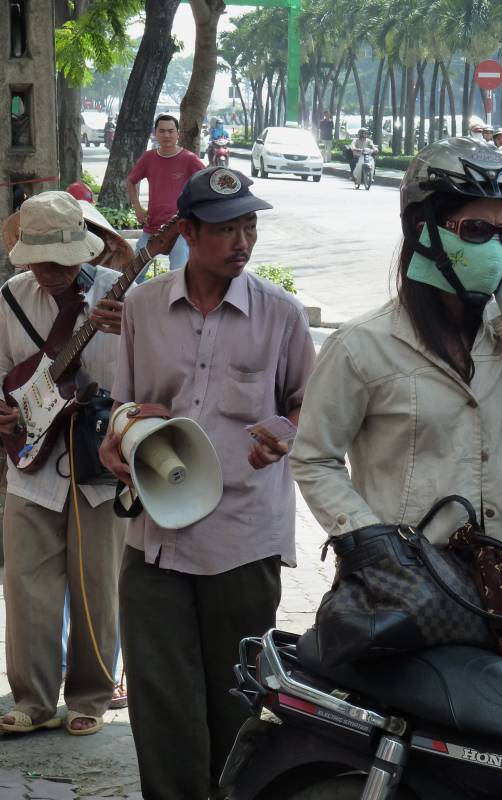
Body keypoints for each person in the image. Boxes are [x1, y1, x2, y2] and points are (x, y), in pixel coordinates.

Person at [290, 138, 502, 678]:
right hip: (415, 594)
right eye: (476, 231)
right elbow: (314, 457)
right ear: (422, 231)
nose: (496, 247)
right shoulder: (361, 347)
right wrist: (370, 543)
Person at [99, 166, 316, 800]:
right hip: (155, 540)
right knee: (160, 705)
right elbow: (126, 404)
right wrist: (118, 442)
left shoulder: (281, 315)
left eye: (249, 225)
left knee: (237, 706)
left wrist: (285, 431)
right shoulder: (143, 308)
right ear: (188, 232)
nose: (242, 240)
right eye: (225, 229)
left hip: (242, 542)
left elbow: (314, 407)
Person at [0, 191, 127, 736]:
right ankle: (30, 698)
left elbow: (148, 376)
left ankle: (91, 697)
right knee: (26, 584)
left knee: (98, 583)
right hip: (28, 464)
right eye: (38, 260)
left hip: (97, 465)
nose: (48, 271)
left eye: (59, 258)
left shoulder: (121, 298)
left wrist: (129, 329)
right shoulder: (10, 299)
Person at [127, 114, 204, 282]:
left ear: (178, 134)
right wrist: (138, 209)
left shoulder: (189, 159)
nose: (166, 135)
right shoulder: (148, 157)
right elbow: (131, 182)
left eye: (171, 131)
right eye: (162, 131)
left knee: (178, 276)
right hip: (152, 227)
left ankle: (176, 305)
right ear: (155, 133)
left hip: (180, 229)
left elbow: (207, 182)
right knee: (132, 276)